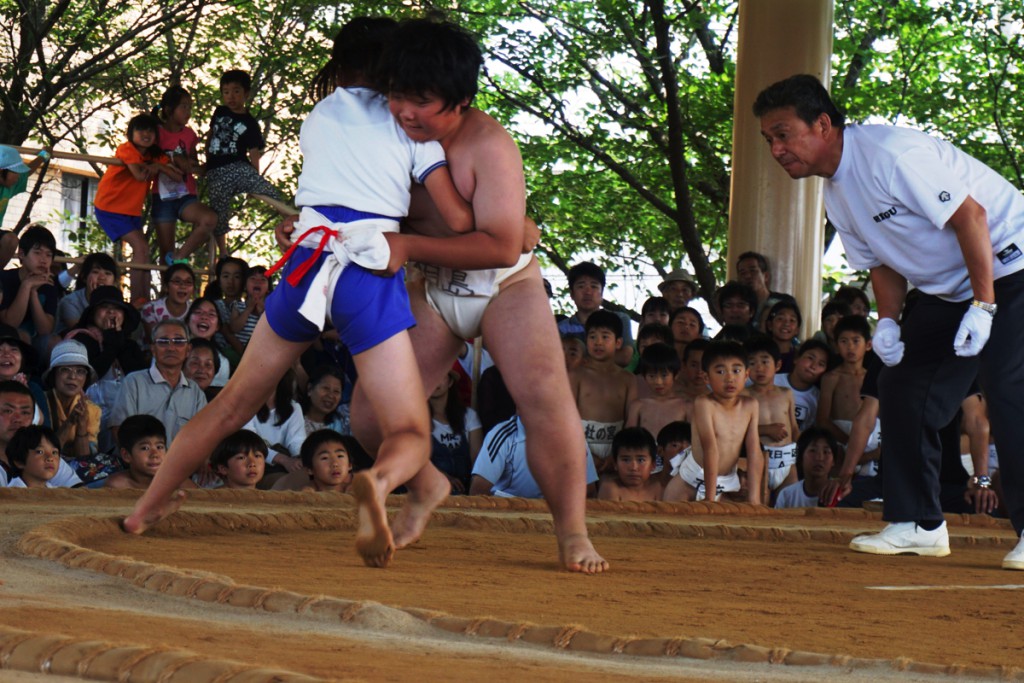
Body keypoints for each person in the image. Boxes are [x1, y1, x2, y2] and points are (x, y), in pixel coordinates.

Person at [124, 17, 474, 569]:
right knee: (407, 428)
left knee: (233, 403)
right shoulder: (409, 127)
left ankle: (148, 505)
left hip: (306, 266)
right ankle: (380, 482)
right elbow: (454, 217)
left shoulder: (320, 114)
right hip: (365, 270)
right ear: (394, 71)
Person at [349, 17, 607, 572]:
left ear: (461, 100)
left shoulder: (488, 144)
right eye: (396, 97)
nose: (406, 113)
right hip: (432, 286)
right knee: (370, 414)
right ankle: (427, 484)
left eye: (422, 101)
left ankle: (572, 532)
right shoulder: (379, 135)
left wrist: (406, 242)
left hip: (505, 283)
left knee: (544, 398)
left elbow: (499, 245)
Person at [754, 74, 1024, 567]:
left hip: (1011, 264)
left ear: (822, 124)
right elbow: (882, 261)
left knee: (1006, 387)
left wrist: (984, 307)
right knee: (901, 387)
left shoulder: (891, 154)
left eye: (782, 134)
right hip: (948, 287)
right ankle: (919, 522)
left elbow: (972, 218)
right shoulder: (835, 193)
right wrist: (889, 321)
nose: (776, 149)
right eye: (769, 139)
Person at [92, 114, 183, 300]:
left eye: (150, 130)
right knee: (141, 248)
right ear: (131, 133)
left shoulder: (154, 155)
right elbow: (140, 176)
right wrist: (158, 167)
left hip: (130, 211)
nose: (146, 134)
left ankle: (143, 299)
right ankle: (137, 299)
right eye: (140, 130)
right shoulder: (127, 149)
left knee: (144, 251)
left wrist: (159, 166)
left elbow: (178, 177)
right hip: (110, 207)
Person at [663, 341, 764, 504]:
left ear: (746, 375)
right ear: (706, 377)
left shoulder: (750, 405)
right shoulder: (704, 403)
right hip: (689, 482)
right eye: (720, 371)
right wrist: (709, 499)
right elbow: (710, 448)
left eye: (736, 370)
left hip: (724, 484)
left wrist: (755, 499)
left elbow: (754, 452)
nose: (729, 378)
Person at [204, 70, 286, 253]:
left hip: (239, 167)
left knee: (270, 192)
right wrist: (206, 159)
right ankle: (222, 252)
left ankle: (290, 219)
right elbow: (210, 137)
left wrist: (254, 178)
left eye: (236, 91)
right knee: (219, 211)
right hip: (216, 169)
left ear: (246, 94)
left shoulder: (250, 123)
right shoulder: (220, 112)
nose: (230, 96)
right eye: (226, 92)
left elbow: (254, 153)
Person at [109, 318, 207, 444]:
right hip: (141, 463)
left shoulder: (195, 391)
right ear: (153, 349)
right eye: (163, 341)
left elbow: (203, 436)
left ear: (188, 350)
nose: (171, 348)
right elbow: (119, 430)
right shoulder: (134, 382)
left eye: (178, 341)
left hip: (182, 463)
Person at [151, 84, 217, 265]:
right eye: (184, 106)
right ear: (169, 109)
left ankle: (180, 258)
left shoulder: (189, 135)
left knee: (209, 219)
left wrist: (197, 166)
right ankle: (167, 288)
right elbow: (147, 156)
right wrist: (174, 159)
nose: (188, 112)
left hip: (186, 194)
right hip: (162, 196)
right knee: (165, 252)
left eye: (190, 107)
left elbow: (193, 163)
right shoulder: (156, 132)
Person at [569, 310, 637, 472]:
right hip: (579, 447)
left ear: (618, 343)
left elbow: (631, 422)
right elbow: (567, 418)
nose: (598, 342)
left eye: (605, 336)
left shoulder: (628, 379)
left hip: (616, 449)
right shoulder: (576, 376)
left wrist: (618, 453)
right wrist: (584, 453)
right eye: (592, 337)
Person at [469, 414, 599, 498]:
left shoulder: (572, 437)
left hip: (553, 513)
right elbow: (478, 490)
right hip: (505, 512)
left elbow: (589, 490)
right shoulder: (503, 435)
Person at [743, 336, 799, 496]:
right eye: (752, 363)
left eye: (765, 362)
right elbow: (735, 429)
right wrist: (765, 430)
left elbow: (794, 427)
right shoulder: (744, 395)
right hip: (757, 461)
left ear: (778, 365)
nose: (759, 368)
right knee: (759, 508)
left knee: (789, 508)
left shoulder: (786, 393)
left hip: (788, 461)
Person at [816, 316, 875, 464]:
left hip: (871, 442)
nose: (850, 347)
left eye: (856, 341)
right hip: (840, 441)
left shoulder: (873, 378)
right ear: (836, 346)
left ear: (868, 345)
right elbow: (823, 420)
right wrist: (851, 442)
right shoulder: (831, 378)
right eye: (844, 341)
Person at [0, 381, 79, 487]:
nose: (18, 419)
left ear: (33, 418)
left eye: (25, 413)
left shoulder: (45, 456)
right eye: (8, 411)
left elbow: (79, 493)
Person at [557, 261, 634, 366]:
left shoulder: (620, 319)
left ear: (602, 293)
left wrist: (579, 360)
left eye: (594, 286)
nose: (588, 292)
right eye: (581, 286)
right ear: (572, 294)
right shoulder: (561, 328)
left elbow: (625, 356)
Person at [0, 226, 60, 353]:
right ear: (22, 254)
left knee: (55, 342)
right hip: (4, 337)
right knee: (23, 337)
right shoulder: (4, 279)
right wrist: (26, 286)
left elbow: (45, 330)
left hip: (36, 340)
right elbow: (10, 324)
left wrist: (33, 292)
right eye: (37, 253)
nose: (43, 260)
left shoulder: (49, 286)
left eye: (48, 255)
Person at [42, 339, 101, 460]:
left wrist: (82, 425)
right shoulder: (41, 401)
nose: (73, 377)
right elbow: (44, 454)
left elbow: (85, 461)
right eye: (65, 370)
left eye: (80, 371)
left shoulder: (92, 410)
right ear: (54, 375)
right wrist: (69, 423)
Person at [105, 414, 197, 490]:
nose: (155, 454)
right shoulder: (117, 485)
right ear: (126, 455)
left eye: (159, 447)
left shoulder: (181, 485)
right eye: (145, 448)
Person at [428, 369, 482, 494]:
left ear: (450, 382)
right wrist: (443, 477)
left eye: (441, 375)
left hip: (465, 492)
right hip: (431, 491)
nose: (436, 381)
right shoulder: (415, 419)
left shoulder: (469, 416)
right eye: (430, 376)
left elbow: (477, 461)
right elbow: (415, 462)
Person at [626, 343, 690, 439]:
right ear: (644, 376)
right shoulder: (637, 406)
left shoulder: (686, 407)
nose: (658, 382)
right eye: (652, 376)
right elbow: (628, 438)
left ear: (676, 374)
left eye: (664, 375)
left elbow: (693, 440)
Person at [0, 145, 49, 268]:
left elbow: (28, 171)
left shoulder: (9, 186)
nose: (18, 176)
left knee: (11, 240)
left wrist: (44, 155)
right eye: (16, 172)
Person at [774, 427, 839, 509]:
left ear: (833, 461)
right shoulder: (787, 495)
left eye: (826, 452)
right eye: (813, 451)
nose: (819, 458)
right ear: (801, 458)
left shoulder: (839, 495)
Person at [775, 339, 830, 432]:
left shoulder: (819, 399)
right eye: (810, 358)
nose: (813, 366)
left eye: (821, 364)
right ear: (796, 358)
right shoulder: (771, 381)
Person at [55, 253, 118, 334]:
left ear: (114, 281)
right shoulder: (70, 302)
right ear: (84, 278)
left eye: (108, 273)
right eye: (95, 272)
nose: (102, 277)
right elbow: (81, 331)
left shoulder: (116, 303)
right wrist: (95, 300)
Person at [597, 426, 662, 502]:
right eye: (626, 460)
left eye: (641, 460)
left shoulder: (656, 487)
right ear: (615, 464)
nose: (633, 467)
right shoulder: (610, 488)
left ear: (653, 465)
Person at [735, 251, 796, 329]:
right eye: (743, 273)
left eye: (753, 271)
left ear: (766, 276)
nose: (748, 276)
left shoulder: (784, 301)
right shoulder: (737, 307)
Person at [140, 264, 195, 345]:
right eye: (177, 281)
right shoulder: (151, 309)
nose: (183, 286)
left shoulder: (195, 310)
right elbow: (155, 341)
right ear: (166, 287)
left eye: (188, 282)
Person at [183, 297, 231, 388]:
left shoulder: (223, 363)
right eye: (198, 312)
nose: (204, 317)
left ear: (217, 326)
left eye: (211, 314)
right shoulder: (172, 352)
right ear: (187, 321)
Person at [228, 265, 269, 348]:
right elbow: (234, 328)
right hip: (239, 351)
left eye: (263, 279)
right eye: (253, 278)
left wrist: (262, 311)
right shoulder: (237, 306)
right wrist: (248, 309)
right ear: (245, 286)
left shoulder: (271, 309)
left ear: (268, 288)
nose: (258, 281)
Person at [764, 299, 801, 373]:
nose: (786, 324)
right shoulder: (760, 354)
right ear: (770, 325)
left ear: (797, 329)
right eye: (780, 319)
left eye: (792, 320)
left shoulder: (799, 358)